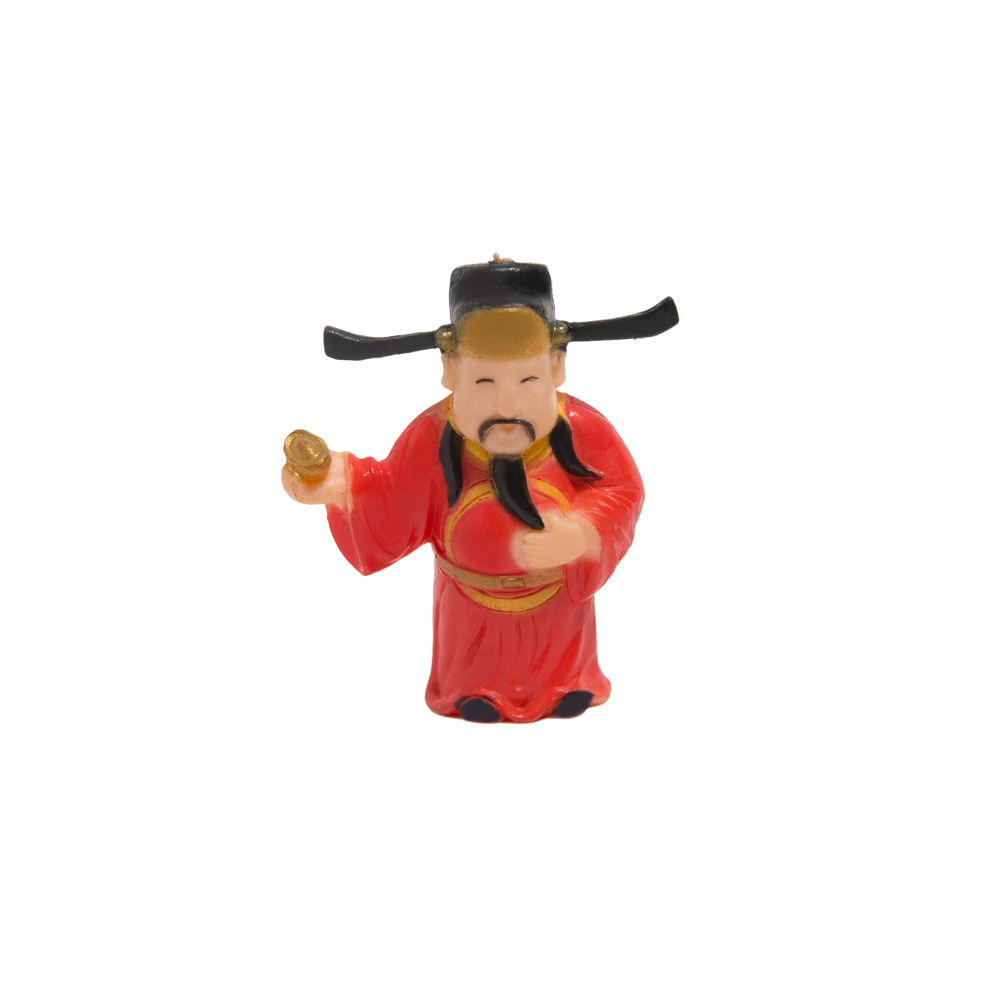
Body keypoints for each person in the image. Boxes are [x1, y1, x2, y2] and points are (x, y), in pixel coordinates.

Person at [282, 259, 678, 723]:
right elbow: (391, 495)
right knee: (474, 663)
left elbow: (622, 490)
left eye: (528, 381)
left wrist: (584, 534)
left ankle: (567, 683)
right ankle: (473, 691)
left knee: (560, 652)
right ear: (450, 370)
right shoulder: (432, 436)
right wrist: (341, 485)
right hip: (469, 607)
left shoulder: (583, 430)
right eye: (484, 382)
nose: (507, 405)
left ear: (557, 366)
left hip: (556, 606)